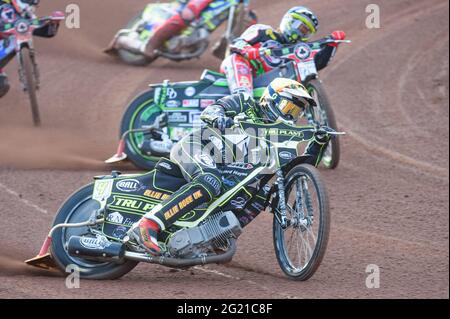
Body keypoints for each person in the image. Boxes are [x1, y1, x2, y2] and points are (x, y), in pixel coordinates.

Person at [128, 78, 329, 255]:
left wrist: (319, 142)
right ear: (271, 99)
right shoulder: (246, 102)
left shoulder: (282, 137)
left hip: (227, 169)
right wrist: (219, 117)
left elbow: (301, 168)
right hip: (198, 146)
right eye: (288, 107)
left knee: (262, 192)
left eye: (296, 111)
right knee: (210, 181)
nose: (291, 115)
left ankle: (212, 238)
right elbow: (213, 109)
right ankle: (148, 225)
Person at [221, 6, 346, 95]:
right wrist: (249, 50)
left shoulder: (297, 51)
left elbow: (316, 64)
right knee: (237, 59)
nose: (301, 35)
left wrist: (332, 44)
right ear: (290, 21)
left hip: (266, 87)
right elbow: (236, 43)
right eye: (301, 28)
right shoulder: (264, 31)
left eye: (306, 33)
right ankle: (242, 97)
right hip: (241, 70)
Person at [0, 0, 60, 98]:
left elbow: (44, 32)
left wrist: (53, 24)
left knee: (2, 85)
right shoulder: (5, 7)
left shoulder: (25, 16)